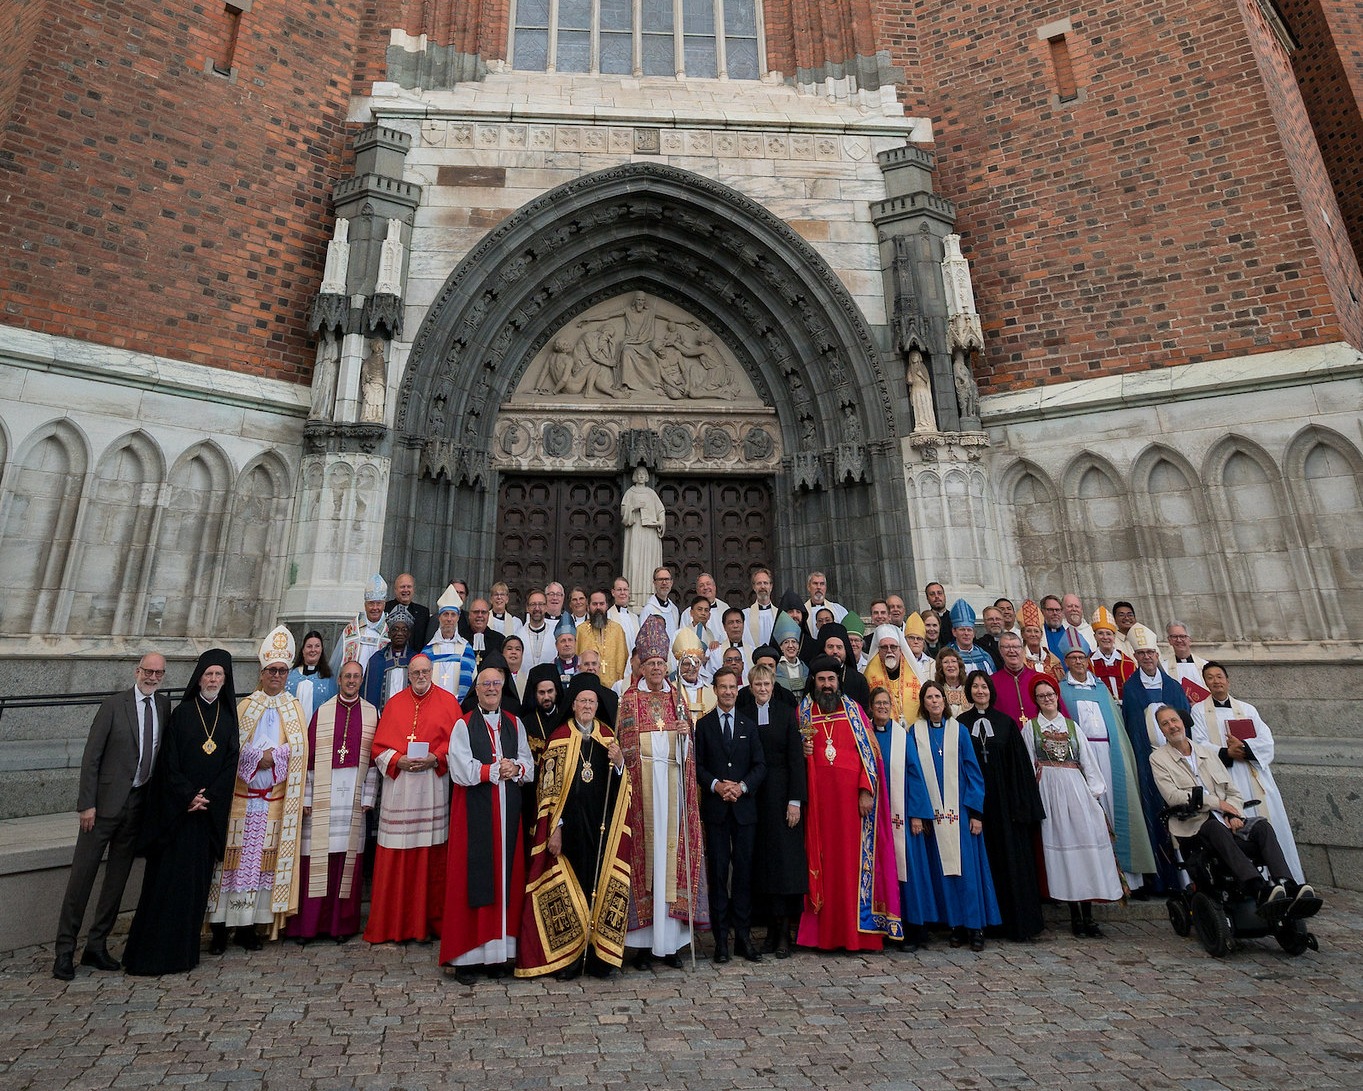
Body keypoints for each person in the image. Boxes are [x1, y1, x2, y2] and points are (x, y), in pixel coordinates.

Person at [122, 650, 240, 976]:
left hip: (205, 819)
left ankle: (183, 955)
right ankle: (149, 954)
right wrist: (188, 795)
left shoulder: (229, 720)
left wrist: (209, 798)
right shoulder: (183, 713)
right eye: (208, 674)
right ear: (198, 677)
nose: (213, 680)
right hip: (177, 816)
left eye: (218, 675)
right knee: (164, 886)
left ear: (225, 680)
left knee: (193, 889)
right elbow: (168, 763)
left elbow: (231, 765)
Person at [54, 652, 171, 980]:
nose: (152, 677)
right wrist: (86, 804)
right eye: (148, 671)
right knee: (82, 879)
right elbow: (92, 757)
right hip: (102, 808)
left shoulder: (163, 706)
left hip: (136, 807)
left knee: (116, 881)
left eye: (158, 672)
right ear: (137, 671)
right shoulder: (113, 706)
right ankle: (64, 951)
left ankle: (96, 945)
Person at [515, 677, 632, 979]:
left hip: (601, 829)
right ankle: (568, 956)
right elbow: (548, 793)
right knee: (570, 888)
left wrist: (619, 763)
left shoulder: (608, 737)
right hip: (569, 830)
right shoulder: (559, 738)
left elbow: (622, 789)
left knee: (599, 888)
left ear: (597, 706)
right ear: (573, 705)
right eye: (582, 701)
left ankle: (598, 955)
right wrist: (555, 828)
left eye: (592, 702)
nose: (587, 707)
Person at [1151, 705, 1316, 917]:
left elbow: (1233, 792)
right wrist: (1218, 804)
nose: (1172, 726)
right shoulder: (1158, 759)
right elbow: (1173, 796)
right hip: (1194, 826)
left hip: (1226, 820)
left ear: (1182, 722)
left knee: (1262, 827)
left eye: (1174, 720)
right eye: (1165, 724)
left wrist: (1233, 813)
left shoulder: (1207, 753)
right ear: (1161, 730)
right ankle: (1256, 887)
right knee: (1213, 828)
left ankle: (1286, 884)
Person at [208, 626, 309, 952]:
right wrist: (258, 758)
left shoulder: (294, 708)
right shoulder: (245, 707)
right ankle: (220, 927)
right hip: (242, 800)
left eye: (281, 671)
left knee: (260, 867)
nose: (276, 676)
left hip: (273, 804)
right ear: (261, 672)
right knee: (231, 866)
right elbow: (231, 749)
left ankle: (249, 927)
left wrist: (273, 757)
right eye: (271, 671)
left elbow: (298, 751)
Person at [615, 616, 707, 968]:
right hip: (642, 795)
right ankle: (641, 946)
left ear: (667, 666)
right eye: (650, 663)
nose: (656, 668)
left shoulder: (678, 699)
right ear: (641, 665)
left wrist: (686, 733)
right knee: (645, 863)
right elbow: (622, 748)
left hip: (672, 791)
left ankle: (670, 945)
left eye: (660, 663)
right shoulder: (628, 699)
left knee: (671, 862)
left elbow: (688, 753)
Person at [796, 657, 902, 951]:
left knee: (852, 868)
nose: (827, 685)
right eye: (821, 680)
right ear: (814, 682)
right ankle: (824, 935)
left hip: (853, 807)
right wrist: (801, 748)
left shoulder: (854, 710)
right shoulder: (804, 711)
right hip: (819, 806)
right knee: (825, 866)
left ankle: (858, 934)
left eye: (831, 680)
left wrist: (866, 790)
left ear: (838, 681)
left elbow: (871, 756)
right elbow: (794, 758)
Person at [440, 661, 534, 984]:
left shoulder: (515, 723)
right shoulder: (463, 726)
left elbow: (529, 764)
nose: (492, 689)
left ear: (503, 687)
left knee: (505, 877)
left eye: (496, 684)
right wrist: (493, 771)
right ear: (476, 690)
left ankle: (497, 955)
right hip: (475, 815)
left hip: (508, 815)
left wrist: (516, 769)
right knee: (473, 878)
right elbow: (460, 770)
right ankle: (467, 957)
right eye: (485, 685)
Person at [364, 654, 461, 944]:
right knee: (398, 853)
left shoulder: (448, 702)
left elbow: (458, 745)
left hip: (433, 787)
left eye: (425, 671)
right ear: (409, 675)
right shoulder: (394, 704)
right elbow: (378, 747)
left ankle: (429, 923)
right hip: (401, 790)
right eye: (416, 672)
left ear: (432, 672)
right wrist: (397, 760)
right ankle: (395, 923)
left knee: (431, 855)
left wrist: (437, 757)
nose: (421, 676)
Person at [1022, 675, 1124, 938]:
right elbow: (1028, 766)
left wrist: (1093, 794)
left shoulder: (1072, 727)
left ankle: (1088, 915)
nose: (1047, 699)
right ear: (1036, 700)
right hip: (1050, 794)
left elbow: (1088, 761)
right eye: (1041, 696)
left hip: (1076, 792)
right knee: (1064, 855)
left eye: (1050, 694)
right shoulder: (1031, 728)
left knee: (1085, 852)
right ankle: (1074, 916)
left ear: (1057, 697)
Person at [285, 658, 378, 943]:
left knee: (346, 860)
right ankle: (309, 926)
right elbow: (310, 759)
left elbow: (374, 760)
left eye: (356, 677)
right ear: (339, 680)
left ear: (361, 681)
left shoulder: (372, 713)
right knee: (316, 858)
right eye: (347, 676)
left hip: (353, 795)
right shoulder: (322, 712)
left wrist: (368, 796)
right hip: (324, 793)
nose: (351, 681)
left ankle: (342, 925)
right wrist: (308, 796)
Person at [1189, 661, 1303, 881]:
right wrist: (1227, 752)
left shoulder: (1247, 709)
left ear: (1228, 680)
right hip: (1226, 776)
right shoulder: (1198, 711)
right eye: (1210, 677)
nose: (1216, 681)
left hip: (1253, 774)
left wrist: (1245, 749)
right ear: (1205, 683)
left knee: (1269, 824)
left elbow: (1266, 741)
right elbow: (1200, 744)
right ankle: (1253, 882)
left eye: (1219, 676)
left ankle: (1285, 880)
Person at [912, 680, 1000, 951]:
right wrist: (919, 813)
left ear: (945, 701)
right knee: (945, 875)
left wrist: (976, 813)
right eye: (929, 697)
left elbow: (974, 773)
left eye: (938, 696)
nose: (935, 701)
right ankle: (956, 925)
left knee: (968, 873)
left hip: (960, 815)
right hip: (933, 817)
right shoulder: (915, 733)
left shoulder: (959, 731)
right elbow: (912, 776)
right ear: (923, 703)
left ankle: (976, 927)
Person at [1059, 645, 1157, 889]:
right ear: (1066, 662)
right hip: (1082, 757)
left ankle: (1131, 879)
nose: (1079, 662)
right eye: (1073, 658)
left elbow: (1115, 724)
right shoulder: (1062, 691)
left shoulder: (1101, 689)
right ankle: (1099, 878)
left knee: (1118, 808)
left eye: (1082, 657)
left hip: (1110, 753)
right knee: (1092, 813)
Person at [960, 671, 1046, 942]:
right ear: (968, 691)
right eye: (974, 687)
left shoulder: (1006, 724)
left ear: (991, 690)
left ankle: (1016, 924)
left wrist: (1023, 808)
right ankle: (983, 922)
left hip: (1005, 806)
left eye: (984, 686)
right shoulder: (961, 724)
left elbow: (1020, 769)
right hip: (975, 805)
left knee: (1011, 861)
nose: (980, 691)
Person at [695, 667, 766, 964]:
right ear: (714, 689)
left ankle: (744, 939)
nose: (727, 692)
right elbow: (697, 766)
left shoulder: (749, 725)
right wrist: (716, 785)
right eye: (722, 687)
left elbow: (760, 765)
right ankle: (721, 941)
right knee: (719, 875)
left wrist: (742, 787)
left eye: (732, 687)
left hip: (744, 810)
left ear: (738, 690)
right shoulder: (704, 725)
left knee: (744, 877)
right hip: (717, 811)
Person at [737, 663, 805, 957]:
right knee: (761, 865)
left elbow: (795, 759)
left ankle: (783, 934)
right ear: (750, 687)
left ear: (773, 687)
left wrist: (795, 800)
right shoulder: (745, 715)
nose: (762, 689)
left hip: (781, 796)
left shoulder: (786, 714)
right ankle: (767, 932)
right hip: (755, 796)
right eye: (757, 685)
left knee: (783, 866)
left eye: (767, 685)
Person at [1120, 622, 1190, 892]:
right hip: (1149, 760)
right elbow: (1132, 727)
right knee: (1155, 814)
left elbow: (1186, 724)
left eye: (1150, 652)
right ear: (1135, 657)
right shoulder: (1131, 689)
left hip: (1178, 760)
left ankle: (1189, 878)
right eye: (1141, 654)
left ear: (1157, 654)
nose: (1147, 657)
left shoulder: (1173, 687)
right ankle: (1161, 879)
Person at [868, 687, 937, 950]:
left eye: (887, 703)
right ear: (871, 708)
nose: (883, 707)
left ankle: (913, 929)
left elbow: (915, 775)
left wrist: (917, 814)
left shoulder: (902, 736)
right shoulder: (866, 736)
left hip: (902, 819)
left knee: (909, 874)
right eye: (878, 704)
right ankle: (883, 927)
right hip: (874, 819)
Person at [621, 468, 666, 612]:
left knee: (649, 561)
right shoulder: (630, 492)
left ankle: (649, 595)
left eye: (643, 475)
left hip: (650, 533)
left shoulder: (651, 493)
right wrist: (634, 507)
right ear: (635, 476)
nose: (641, 477)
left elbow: (661, 510)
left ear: (646, 477)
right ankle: (633, 597)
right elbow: (624, 512)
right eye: (638, 474)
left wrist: (661, 521)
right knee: (635, 562)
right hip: (636, 531)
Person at [423, 584, 476, 701]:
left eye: (453, 615)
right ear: (439, 617)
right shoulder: (428, 651)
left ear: (458, 617)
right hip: (433, 707)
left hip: (458, 707)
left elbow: (473, 683)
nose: (449, 619)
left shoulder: (465, 649)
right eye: (445, 614)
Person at [862, 624, 921, 724]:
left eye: (893, 647)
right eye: (884, 647)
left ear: (900, 649)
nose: (889, 651)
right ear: (878, 650)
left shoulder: (913, 671)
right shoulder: (869, 674)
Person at [990, 631, 1052, 725]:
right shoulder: (991, 682)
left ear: (1022, 650)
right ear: (1000, 651)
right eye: (1006, 647)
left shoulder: (1041, 679)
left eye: (1016, 647)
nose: (1011, 650)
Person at [332, 574, 390, 674]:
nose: (375, 608)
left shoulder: (390, 630)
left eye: (379, 603)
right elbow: (335, 664)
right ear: (365, 605)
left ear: (384, 604)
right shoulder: (352, 630)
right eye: (371, 603)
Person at [362, 605, 416, 710]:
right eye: (395, 629)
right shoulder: (376, 660)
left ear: (408, 634)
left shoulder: (415, 660)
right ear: (389, 634)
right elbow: (369, 694)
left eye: (404, 630)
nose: (399, 633)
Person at [814, 621, 871, 713]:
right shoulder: (813, 678)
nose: (835, 651)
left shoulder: (858, 680)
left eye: (839, 647)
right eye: (830, 647)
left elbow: (865, 714)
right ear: (823, 649)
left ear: (846, 650)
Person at [577, 589, 629, 688]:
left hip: (614, 688)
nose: (598, 607)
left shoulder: (617, 629)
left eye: (601, 604)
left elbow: (623, 659)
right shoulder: (580, 631)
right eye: (594, 604)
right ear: (588, 607)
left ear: (607, 606)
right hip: (587, 687)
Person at [286, 631, 337, 727]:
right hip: (292, 730)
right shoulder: (289, 676)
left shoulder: (328, 679)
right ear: (303, 650)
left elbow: (333, 709)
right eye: (309, 646)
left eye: (317, 646)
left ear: (321, 650)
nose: (313, 650)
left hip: (318, 731)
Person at [1089, 606, 1135, 701]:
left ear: (1114, 637)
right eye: (1100, 633)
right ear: (1095, 637)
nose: (1105, 637)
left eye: (1109, 634)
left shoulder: (1127, 663)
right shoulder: (1088, 664)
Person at [673, 627, 717, 721]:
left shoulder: (711, 691)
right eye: (686, 664)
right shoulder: (672, 689)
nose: (691, 668)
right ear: (679, 666)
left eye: (695, 663)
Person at [1162, 619, 1210, 702]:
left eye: (1182, 636)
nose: (1179, 640)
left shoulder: (1205, 666)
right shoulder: (1163, 668)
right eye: (1174, 637)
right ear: (1169, 640)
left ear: (1189, 639)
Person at [1020, 599, 1064, 681]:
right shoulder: (1019, 661)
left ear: (1041, 634)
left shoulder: (1054, 661)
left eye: (1036, 631)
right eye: (1029, 631)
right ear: (1023, 634)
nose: (1033, 634)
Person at [386, 572, 432, 649]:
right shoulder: (385, 609)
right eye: (402, 587)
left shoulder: (423, 612)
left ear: (413, 589)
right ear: (395, 590)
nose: (406, 590)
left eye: (409, 587)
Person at [948, 599, 996, 673]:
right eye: (962, 630)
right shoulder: (947, 655)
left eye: (969, 630)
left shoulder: (984, 656)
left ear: (974, 633)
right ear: (954, 632)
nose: (966, 633)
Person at [772, 611, 808, 695]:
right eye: (786, 642)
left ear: (798, 646)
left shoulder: (805, 668)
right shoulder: (776, 668)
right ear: (781, 647)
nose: (791, 646)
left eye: (794, 642)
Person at [517, 589, 555, 668]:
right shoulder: (519, 635)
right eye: (533, 604)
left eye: (541, 604)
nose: (537, 608)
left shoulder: (554, 634)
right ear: (527, 608)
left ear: (546, 608)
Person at [465, 598, 506, 670]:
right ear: (469, 615)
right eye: (476, 612)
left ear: (488, 615)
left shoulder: (499, 640)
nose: (480, 615)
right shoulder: (460, 637)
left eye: (483, 612)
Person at [803, 570, 847, 636]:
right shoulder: (802, 611)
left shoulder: (838, 610)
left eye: (822, 584)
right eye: (815, 583)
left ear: (825, 588)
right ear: (809, 587)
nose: (819, 587)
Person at [742, 567, 777, 647]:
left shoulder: (779, 615)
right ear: (754, 587)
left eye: (765, 583)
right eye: (759, 583)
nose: (762, 587)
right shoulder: (745, 615)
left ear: (771, 586)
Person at [934, 646, 968, 717]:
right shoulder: (937, 691)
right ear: (941, 667)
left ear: (959, 665)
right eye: (946, 662)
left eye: (953, 661)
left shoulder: (969, 688)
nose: (950, 665)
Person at [608, 576, 641, 650]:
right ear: (613, 592)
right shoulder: (608, 616)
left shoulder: (634, 618)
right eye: (619, 590)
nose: (622, 593)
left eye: (625, 589)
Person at [903, 612, 935, 684]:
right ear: (905, 640)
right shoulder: (900, 661)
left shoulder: (932, 664)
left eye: (919, 639)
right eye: (911, 638)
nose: (916, 641)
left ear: (924, 642)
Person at [551, 612, 580, 684]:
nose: (567, 644)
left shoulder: (583, 665)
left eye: (570, 640)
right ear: (556, 645)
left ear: (575, 642)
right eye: (563, 641)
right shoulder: (551, 668)